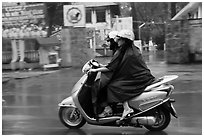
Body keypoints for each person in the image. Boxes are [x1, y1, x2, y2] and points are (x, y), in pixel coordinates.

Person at [88, 30, 155, 120]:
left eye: (119, 40)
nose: (117, 41)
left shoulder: (129, 53)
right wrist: (100, 67)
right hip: (138, 77)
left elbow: (113, 68)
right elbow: (116, 65)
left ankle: (126, 109)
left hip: (138, 78)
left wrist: (95, 70)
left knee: (114, 86)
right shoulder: (129, 50)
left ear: (125, 40)